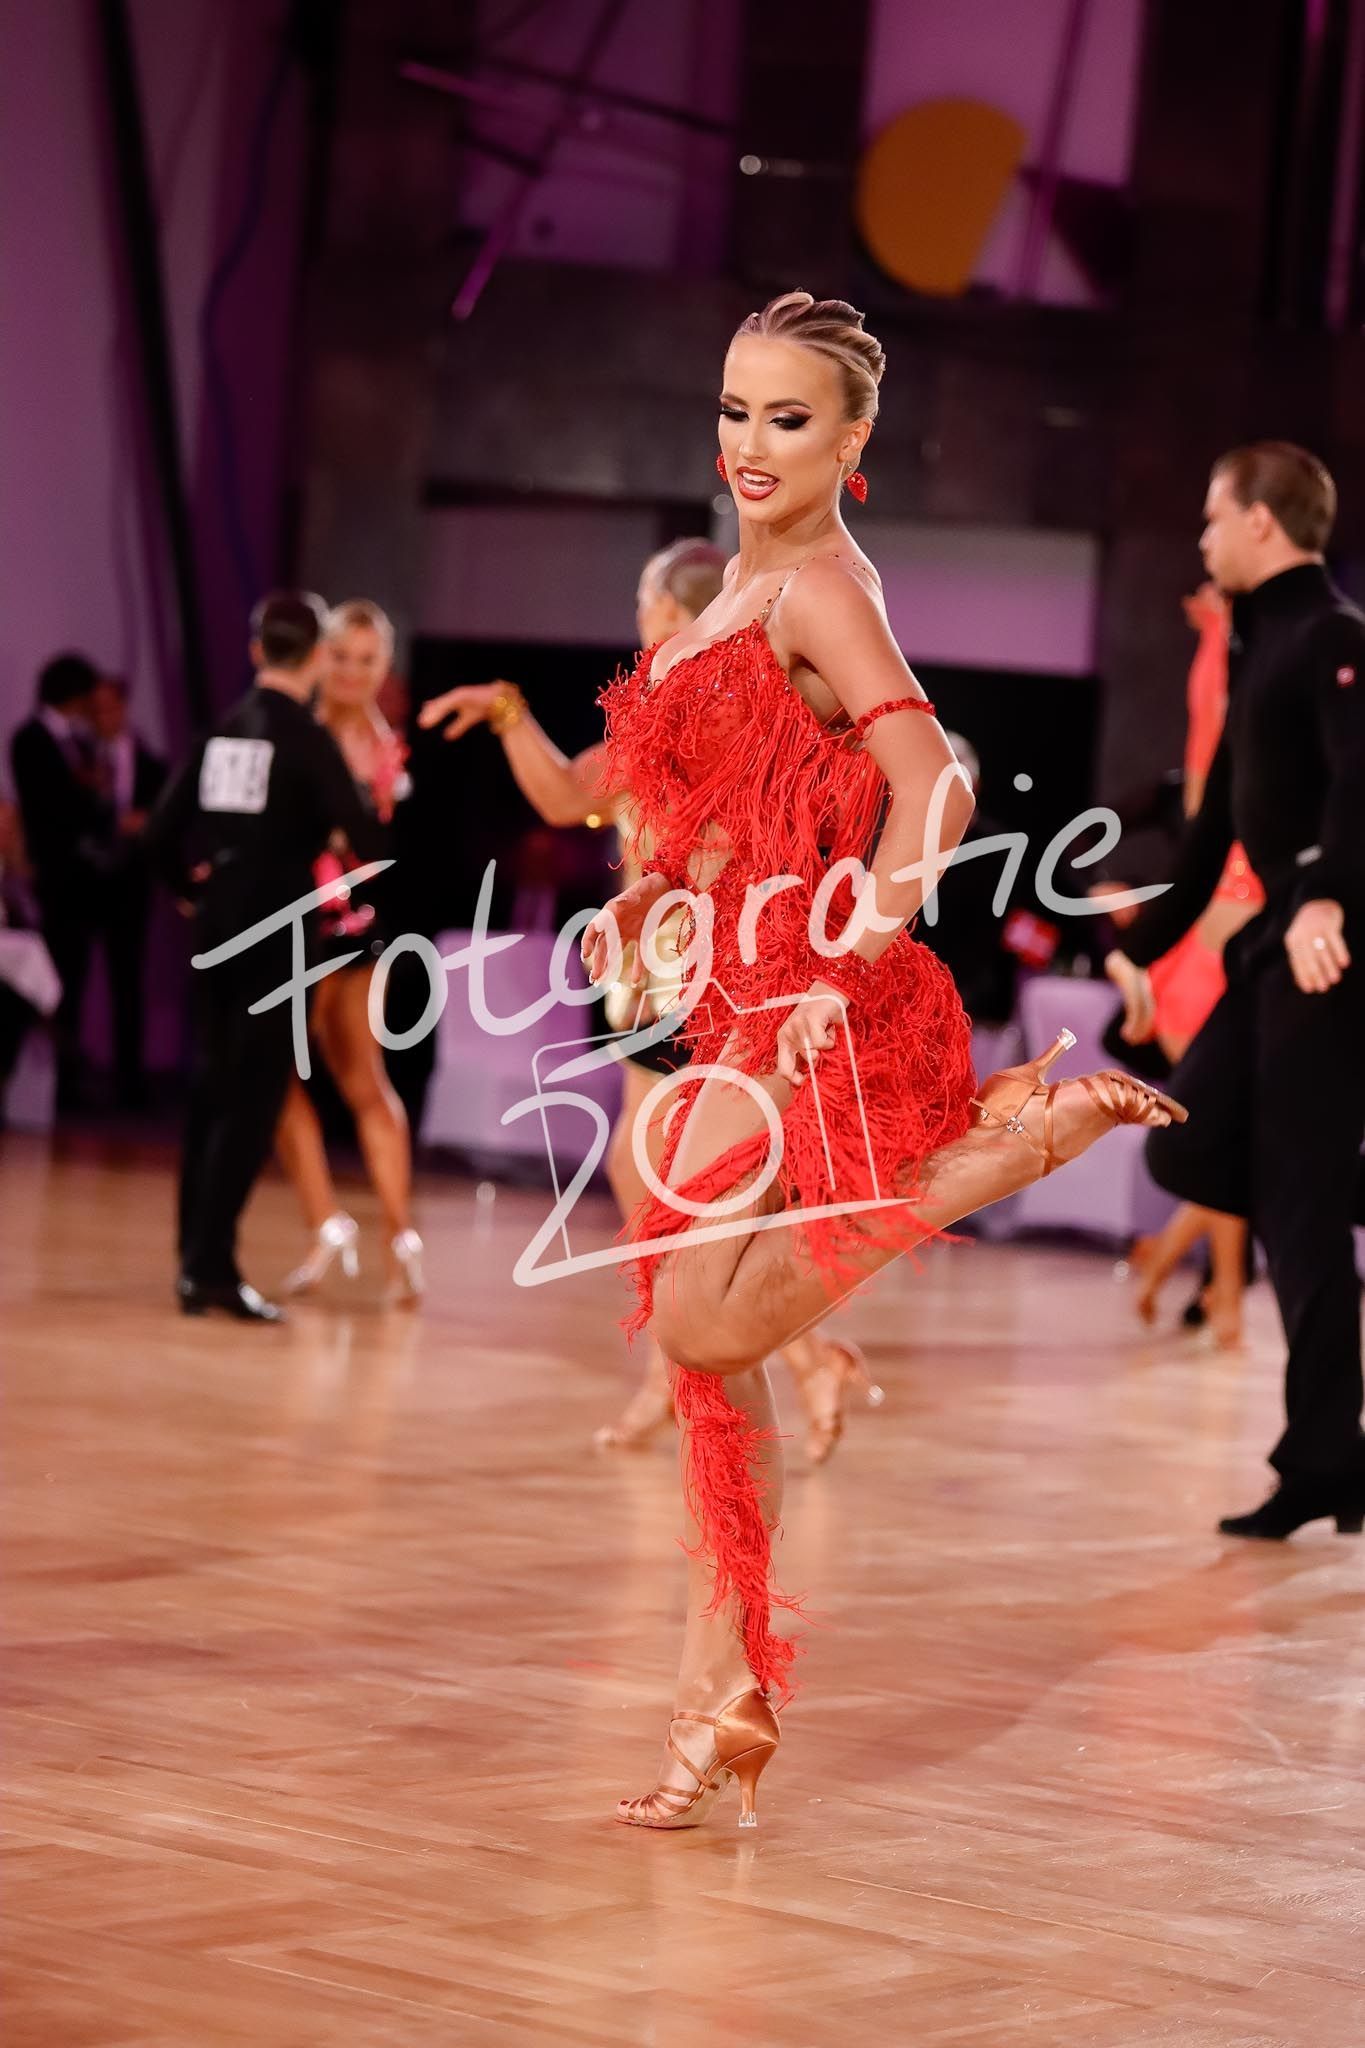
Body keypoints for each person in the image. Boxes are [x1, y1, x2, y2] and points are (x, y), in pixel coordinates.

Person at [574, 291, 1180, 1828]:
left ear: (854, 441)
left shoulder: (824, 590)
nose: (750, 441)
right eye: (734, 409)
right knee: (714, 1375)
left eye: (787, 417)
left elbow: (936, 791)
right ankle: (716, 1715)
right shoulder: (736, 586)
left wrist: (840, 963)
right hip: (736, 998)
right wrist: (659, 888)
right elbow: (742, 799)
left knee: (698, 1330)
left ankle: (1004, 1146)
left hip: (818, 1005)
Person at [420, 540, 880, 1462]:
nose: (640, 616)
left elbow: (576, 800)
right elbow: (574, 799)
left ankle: (779, 1358)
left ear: (675, 610)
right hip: (656, 972)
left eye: (645, 599)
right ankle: (726, 1368)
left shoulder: (716, 707)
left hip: (701, 971)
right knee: (654, 1179)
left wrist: (508, 712)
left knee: (682, 1185)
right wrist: (510, 712)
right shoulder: (692, 703)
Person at [1106, 442, 1365, 1539]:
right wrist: (1135, 944)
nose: (1202, 537)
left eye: (1214, 517)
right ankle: (1332, 1460)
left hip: (1323, 949)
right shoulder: (1263, 644)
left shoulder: (1334, 636)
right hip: (1276, 943)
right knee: (1189, 1145)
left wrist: (1328, 901)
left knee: (1298, 1208)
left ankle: (1324, 1462)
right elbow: (1214, 831)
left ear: (1262, 522)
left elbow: (1361, 784)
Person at [146, 592, 374, 1321]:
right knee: (255, 1098)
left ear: (255, 651)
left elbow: (158, 836)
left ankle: (194, 1264)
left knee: (212, 1091)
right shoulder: (307, 739)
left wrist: (192, 890)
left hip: (217, 927)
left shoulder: (221, 731)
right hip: (278, 933)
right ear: (317, 657)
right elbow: (366, 832)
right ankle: (211, 1268)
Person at [1100, 584, 1263, 1346]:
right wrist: (1215, 635)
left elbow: (1213, 722)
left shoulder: (1245, 805)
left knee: (1223, 1141)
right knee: (1222, 1140)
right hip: (1202, 961)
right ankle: (1210, 1291)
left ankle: (1188, 1275)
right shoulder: (1218, 802)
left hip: (1212, 961)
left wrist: (1217, 635)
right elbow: (1209, 724)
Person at [272, 599, 424, 1300]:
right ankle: (347, 1230)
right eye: (339, 656)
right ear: (319, 656)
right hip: (316, 925)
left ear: (384, 667)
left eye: (366, 660)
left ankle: (384, 1235)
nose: (351, 672)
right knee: (305, 1079)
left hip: (336, 928)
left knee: (353, 1081)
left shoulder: (372, 747)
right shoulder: (314, 732)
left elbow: (365, 849)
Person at [9, 655, 107, 1109]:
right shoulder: (30, 740)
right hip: (53, 878)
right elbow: (47, 806)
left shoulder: (81, 744)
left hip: (83, 882)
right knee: (53, 976)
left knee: (75, 977)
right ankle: (54, 1083)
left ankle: (68, 1081)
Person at [88, 675, 167, 1108]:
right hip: (85, 884)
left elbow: (166, 817)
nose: (103, 717)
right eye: (96, 709)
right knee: (72, 978)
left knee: (128, 979)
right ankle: (68, 1083)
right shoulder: (79, 758)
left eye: (110, 707)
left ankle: (129, 1081)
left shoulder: (149, 762)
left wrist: (146, 824)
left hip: (131, 884)